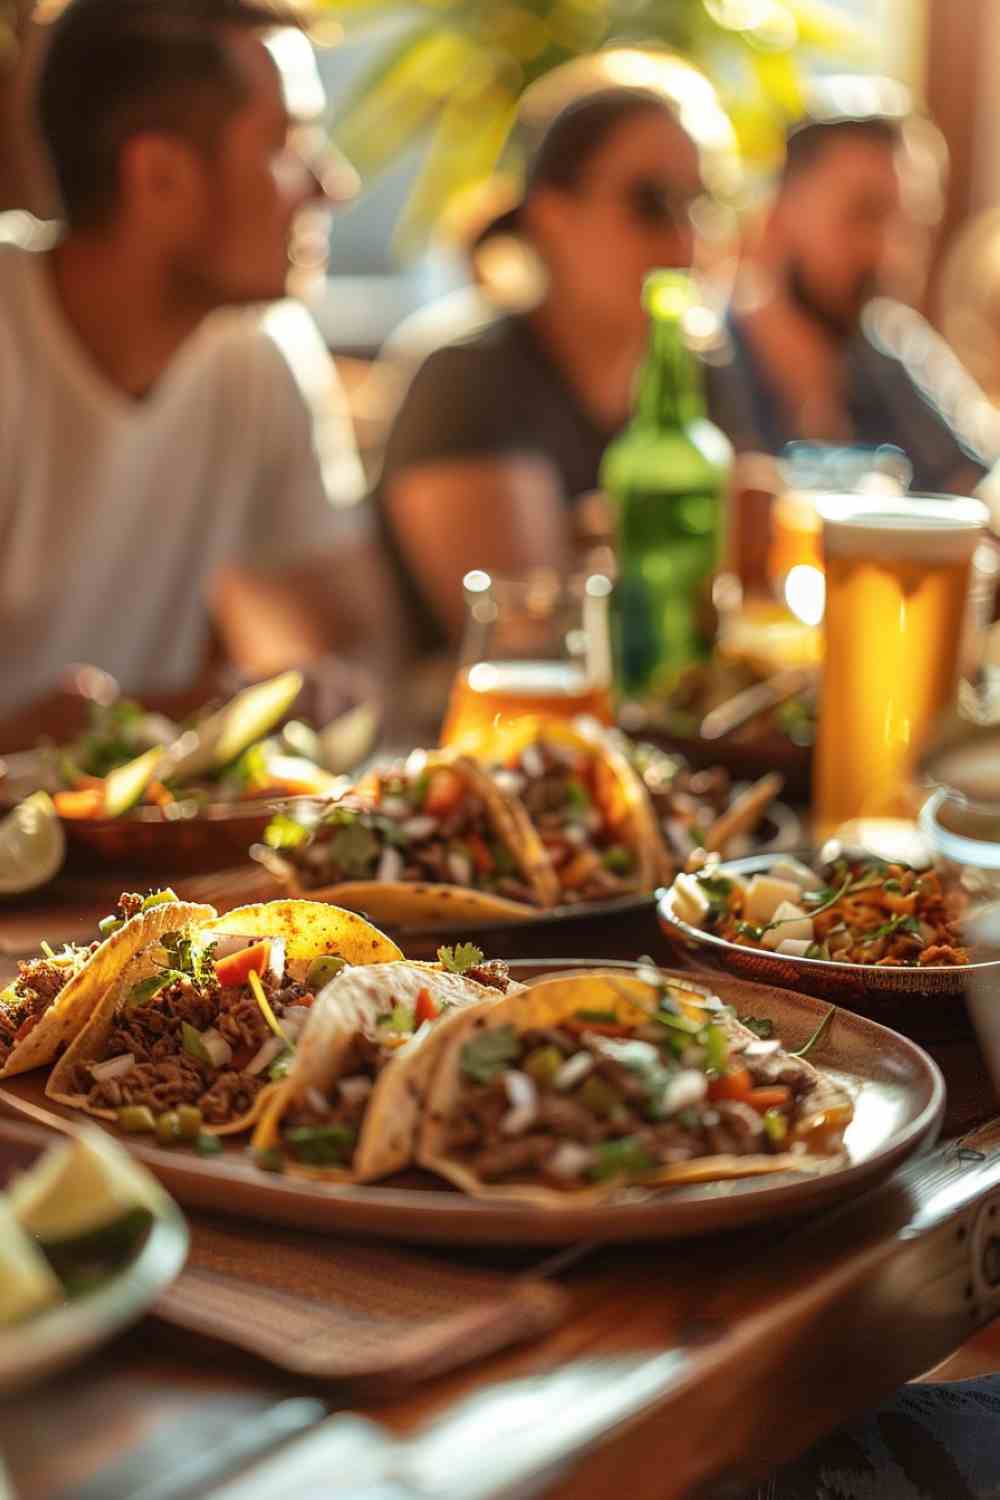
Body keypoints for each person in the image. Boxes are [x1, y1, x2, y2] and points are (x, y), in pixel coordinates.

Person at [0, 0, 393, 728]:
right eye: (285, 144)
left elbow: (353, 649)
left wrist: (311, 694)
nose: (330, 184)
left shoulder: (260, 351)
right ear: (159, 178)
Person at [376, 84, 709, 651]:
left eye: (697, 203)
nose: (683, 237)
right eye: (650, 202)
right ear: (552, 216)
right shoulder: (469, 377)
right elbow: (525, 638)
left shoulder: (698, 373)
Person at [711, 113, 995, 494]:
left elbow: (982, 482)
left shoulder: (893, 348)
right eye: (864, 214)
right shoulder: (701, 357)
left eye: (912, 226)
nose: (890, 254)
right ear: (779, 212)